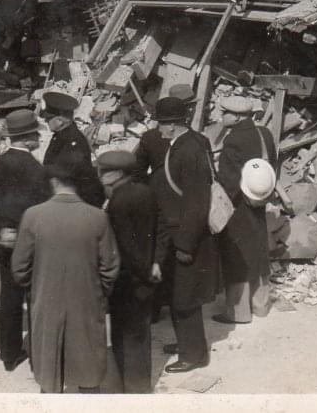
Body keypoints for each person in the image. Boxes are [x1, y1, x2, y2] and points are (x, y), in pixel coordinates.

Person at [11, 163, 120, 394]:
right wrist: (98, 292)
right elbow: (110, 267)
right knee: (88, 361)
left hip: (46, 299)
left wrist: (37, 287)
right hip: (87, 300)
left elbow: (19, 267)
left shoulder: (33, 215)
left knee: (49, 365)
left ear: (53, 182)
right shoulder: (98, 216)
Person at [0, 109, 51, 372]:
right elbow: (43, 210)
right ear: (29, 138)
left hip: (5, 242)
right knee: (35, 298)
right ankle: (39, 355)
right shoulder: (39, 170)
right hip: (33, 242)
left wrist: (1, 229)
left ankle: (9, 355)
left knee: (8, 295)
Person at [150, 96, 220, 374]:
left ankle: (194, 355)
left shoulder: (187, 151)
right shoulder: (194, 141)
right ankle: (185, 344)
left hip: (186, 237)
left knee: (185, 298)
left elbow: (197, 202)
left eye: (161, 125)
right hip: (180, 233)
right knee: (178, 294)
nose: (158, 130)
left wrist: (186, 244)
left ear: (171, 125)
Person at [99, 149, 161, 394]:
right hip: (146, 274)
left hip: (128, 278)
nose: (101, 176)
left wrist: (143, 271)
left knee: (125, 334)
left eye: (104, 172)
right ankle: (141, 385)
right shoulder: (145, 192)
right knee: (141, 335)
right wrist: (154, 264)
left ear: (116, 174)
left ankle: (131, 389)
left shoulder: (118, 202)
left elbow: (126, 245)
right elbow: (160, 229)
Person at [214, 96, 278, 324]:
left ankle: (238, 312)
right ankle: (261, 305)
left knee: (237, 255)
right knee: (259, 251)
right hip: (258, 202)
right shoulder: (265, 134)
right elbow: (271, 169)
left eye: (225, 113)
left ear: (238, 116)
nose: (221, 117)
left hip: (238, 206)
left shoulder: (233, 141)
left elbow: (228, 181)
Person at [41, 88, 104, 207]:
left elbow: (63, 173)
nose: (45, 120)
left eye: (49, 118)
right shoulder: (61, 135)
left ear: (60, 120)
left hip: (76, 200)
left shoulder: (73, 142)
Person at [134, 84, 196, 181]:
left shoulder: (149, 137)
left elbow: (137, 174)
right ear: (187, 109)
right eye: (192, 106)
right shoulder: (196, 139)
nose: (193, 110)